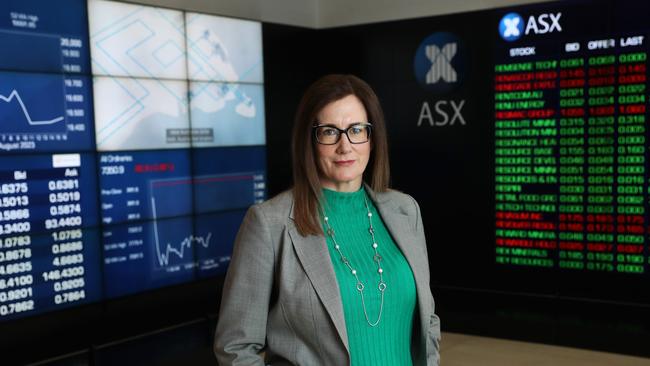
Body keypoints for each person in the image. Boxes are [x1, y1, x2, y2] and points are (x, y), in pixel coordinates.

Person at [214, 74, 440, 365]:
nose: (345, 146)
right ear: (309, 140)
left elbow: (427, 319)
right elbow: (236, 347)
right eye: (330, 132)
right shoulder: (270, 223)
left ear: (373, 138)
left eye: (357, 129)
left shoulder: (405, 210)